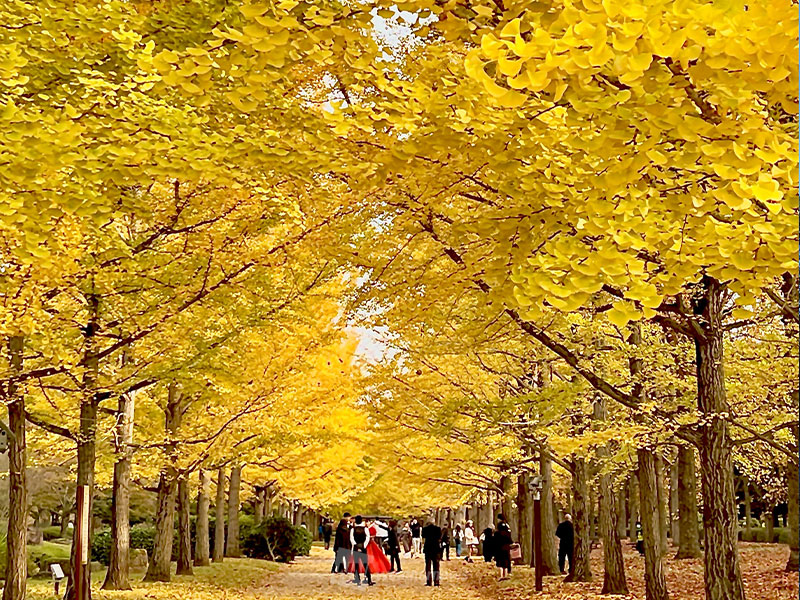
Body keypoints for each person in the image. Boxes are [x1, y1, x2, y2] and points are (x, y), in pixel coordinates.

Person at [349, 515, 374, 586]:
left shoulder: (352, 530)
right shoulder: (365, 529)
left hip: (355, 547)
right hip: (363, 547)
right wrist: (364, 545)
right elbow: (367, 538)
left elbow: (352, 539)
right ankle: (369, 579)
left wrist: (356, 545)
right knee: (365, 563)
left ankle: (357, 579)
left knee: (356, 564)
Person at [421, 519, 442, 587]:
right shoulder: (438, 529)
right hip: (436, 548)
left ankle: (428, 581)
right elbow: (439, 537)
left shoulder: (425, 529)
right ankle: (436, 581)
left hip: (428, 548)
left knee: (428, 566)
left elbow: (423, 536)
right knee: (436, 566)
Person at [493, 514, 513, 580]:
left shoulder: (498, 531)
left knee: (501, 561)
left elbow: (495, 539)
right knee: (506, 560)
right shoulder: (507, 526)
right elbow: (509, 537)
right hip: (506, 546)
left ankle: (502, 575)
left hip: (500, 547)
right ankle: (506, 574)